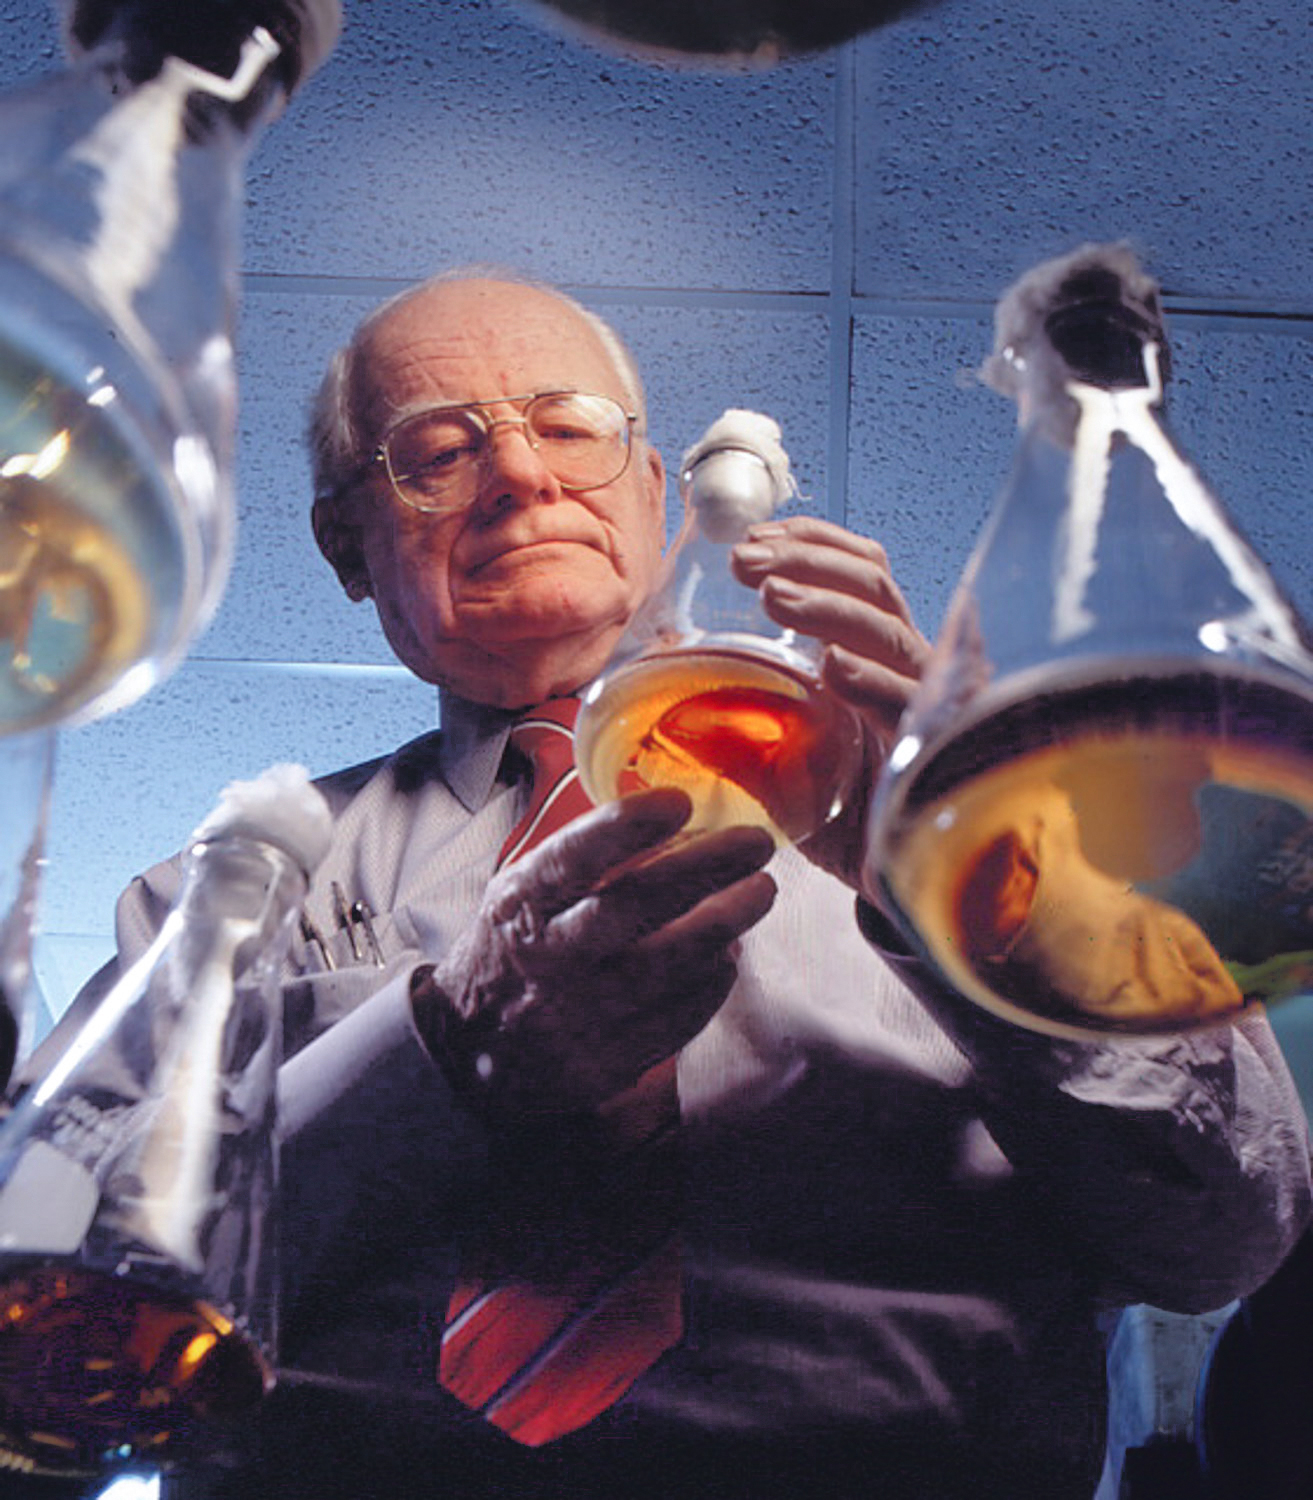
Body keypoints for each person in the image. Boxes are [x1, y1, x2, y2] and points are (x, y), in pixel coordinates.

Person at [28, 271, 1313, 1499]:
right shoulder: (210, 900)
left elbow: (1224, 1235)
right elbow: (51, 1311)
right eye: (438, 449)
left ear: (653, 498)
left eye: (569, 429)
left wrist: (965, 885)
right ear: (346, 544)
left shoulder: (987, 838)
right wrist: (442, 1050)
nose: (521, 474)